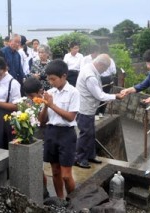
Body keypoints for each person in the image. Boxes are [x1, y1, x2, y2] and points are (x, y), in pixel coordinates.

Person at [39, 59, 80, 198]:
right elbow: (42, 121)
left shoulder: (73, 92)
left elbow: (70, 117)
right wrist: (45, 105)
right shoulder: (50, 93)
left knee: (66, 176)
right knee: (55, 171)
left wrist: (51, 105)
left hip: (66, 134)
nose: (51, 82)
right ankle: (60, 201)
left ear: (64, 76)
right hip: (51, 132)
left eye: (53, 79)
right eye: (49, 79)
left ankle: (74, 201)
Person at [75, 54, 124, 169]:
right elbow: (100, 95)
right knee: (85, 134)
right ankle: (79, 158)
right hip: (84, 109)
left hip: (89, 108)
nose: (105, 71)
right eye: (105, 68)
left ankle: (91, 155)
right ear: (100, 64)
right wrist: (116, 96)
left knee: (91, 134)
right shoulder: (90, 75)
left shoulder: (90, 68)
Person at [23, 77, 49, 199]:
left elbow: (42, 121)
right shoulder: (27, 102)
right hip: (31, 137)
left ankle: (44, 193)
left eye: (32, 96)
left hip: (41, 138)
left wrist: (44, 106)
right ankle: (38, 191)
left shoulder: (45, 102)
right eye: (28, 96)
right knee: (34, 167)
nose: (31, 99)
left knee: (39, 167)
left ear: (40, 91)